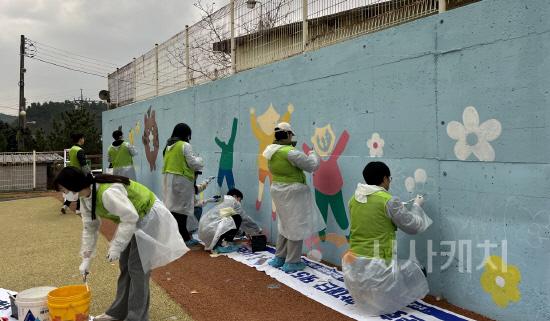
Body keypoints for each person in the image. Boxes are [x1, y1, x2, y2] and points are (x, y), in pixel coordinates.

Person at [53, 167, 187, 321]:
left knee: (137, 268)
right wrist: (86, 259)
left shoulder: (108, 193)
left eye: (64, 190)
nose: (64, 195)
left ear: (73, 184)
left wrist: (116, 246)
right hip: (132, 221)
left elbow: (130, 217)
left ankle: (137, 317)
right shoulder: (86, 198)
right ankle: (118, 312)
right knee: (125, 265)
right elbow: (90, 228)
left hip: (148, 216)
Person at [342, 161, 432, 316]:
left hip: (353, 266)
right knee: (418, 270)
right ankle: (384, 298)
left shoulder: (353, 200)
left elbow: (372, 216)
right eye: (389, 178)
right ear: (384, 178)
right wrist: (417, 206)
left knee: (381, 274)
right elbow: (413, 227)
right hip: (378, 267)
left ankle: (370, 296)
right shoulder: (389, 201)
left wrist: (396, 207)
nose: (389, 181)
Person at [262, 122, 325, 272]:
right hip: (293, 191)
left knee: (284, 225)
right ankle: (292, 261)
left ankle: (279, 257)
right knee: (296, 225)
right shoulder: (290, 152)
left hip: (278, 190)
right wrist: (312, 153)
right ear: (288, 134)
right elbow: (312, 166)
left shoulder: (270, 151)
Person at [162, 123, 204, 247]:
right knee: (182, 210)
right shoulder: (185, 145)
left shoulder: (168, 146)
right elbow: (193, 163)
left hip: (168, 179)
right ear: (186, 134)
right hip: (181, 180)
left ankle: (175, 235)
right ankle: (185, 237)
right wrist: (200, 160)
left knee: (173, 209)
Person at [198, 188, 244, 253]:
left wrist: (241, 232)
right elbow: (243, 218)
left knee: (232, 218)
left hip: (204, 233)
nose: (240, 202)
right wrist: (255, 230)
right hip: (210, 231)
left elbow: (225, 220)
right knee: (237, 218)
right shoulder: (232, 202)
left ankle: (218, 242)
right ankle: (226, 244)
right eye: (240, 199)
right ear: (235, 196)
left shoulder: (223, 204)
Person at [61, 133, 89, 215]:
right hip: (79, 173)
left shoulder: (72, 149)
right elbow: (83, 164)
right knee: (81, 191)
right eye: (83, 138)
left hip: (71, 172)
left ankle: (65, 206)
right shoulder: (79, 150)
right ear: (80, 139)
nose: (84, 140)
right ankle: (78, 209)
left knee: (71, 191)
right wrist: (88, 173)